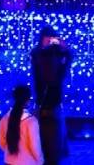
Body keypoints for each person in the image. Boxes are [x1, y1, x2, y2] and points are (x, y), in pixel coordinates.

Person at [31, 26, 74, 163]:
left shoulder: (55, 53)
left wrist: (63, 49)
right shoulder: (40, 54)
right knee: (47, 137)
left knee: (51, 138)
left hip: (51, 100)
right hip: (45, 100)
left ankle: (51, 154)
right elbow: (49, 74)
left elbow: (68, 59)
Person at [0, 84, 43, 165]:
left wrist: (11, 152)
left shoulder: (4, 119)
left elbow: (1, 142)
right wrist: (40, 161)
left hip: (9, 162)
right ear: (28, 100)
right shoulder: (31, 121)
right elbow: (35, 147)